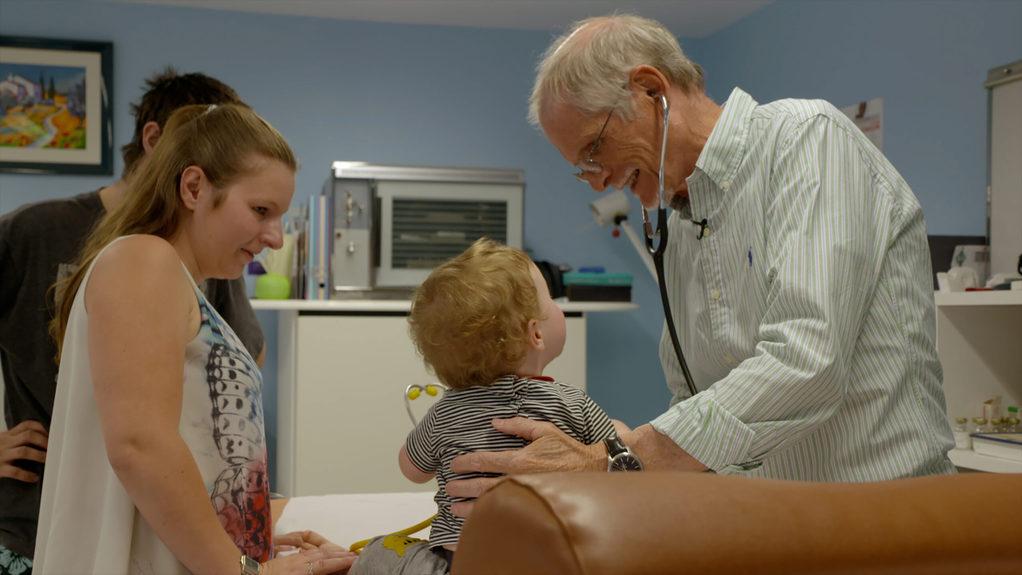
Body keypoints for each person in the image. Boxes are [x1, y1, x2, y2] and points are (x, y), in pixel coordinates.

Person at [447, 13, 955, 511]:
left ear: (650, 91)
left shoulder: (806, 139)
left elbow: (805, 362)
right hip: (769, 525)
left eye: (595, 150)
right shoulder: (682, 220)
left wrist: (616, 459)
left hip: (882, 522)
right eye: (584, 170)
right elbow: (695, 402)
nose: (599, 180)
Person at [33, 104, 356, 574]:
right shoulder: (144, 261)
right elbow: (140, 446)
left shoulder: (175, 280)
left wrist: (245, 539)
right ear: (194, 187)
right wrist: (243, 570)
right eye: (261, 210)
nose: (276, 238)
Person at [0, 68, 267, 573]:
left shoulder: (206, 254)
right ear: (155, 139)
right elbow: (140, 444)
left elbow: (240, 367)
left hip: (158, 532)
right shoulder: (35, 231)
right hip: (37, 529)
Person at [350, 239, 617, 575]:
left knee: (378, 553)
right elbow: (618, 463)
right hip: (555, 561)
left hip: (462, 564)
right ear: (536, 334)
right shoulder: (574, 403)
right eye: (550, 299)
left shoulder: (446, 413)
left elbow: (412, 469)